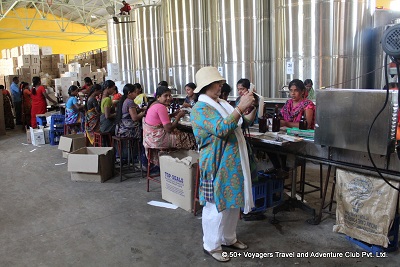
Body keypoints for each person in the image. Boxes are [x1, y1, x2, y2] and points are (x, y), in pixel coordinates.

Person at [190, 66, 255, 262]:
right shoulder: (200, 109)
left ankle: (228, 238)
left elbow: (241, 122)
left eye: (220, 82)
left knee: (232, 204)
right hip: (216, 164)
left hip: (232, 164)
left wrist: (251, 107)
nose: (221, 85)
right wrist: (240, 107)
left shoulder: (222, 104)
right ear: (206, 86)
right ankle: (211, 244)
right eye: (217, 83)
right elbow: (221, 129)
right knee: (215, 207)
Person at [143, 86, 196, 166]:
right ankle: (185, 165)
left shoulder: (154, 104)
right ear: (158, 97)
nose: (169, 98)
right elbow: (168, 129)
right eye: (165, 96)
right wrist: (178, 117)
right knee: (191, 137)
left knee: (180, 133)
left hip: (150, 137)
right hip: (157, 139)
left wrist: (173, 114)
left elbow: (160, 119)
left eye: (170, 95)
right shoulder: (161, 107)